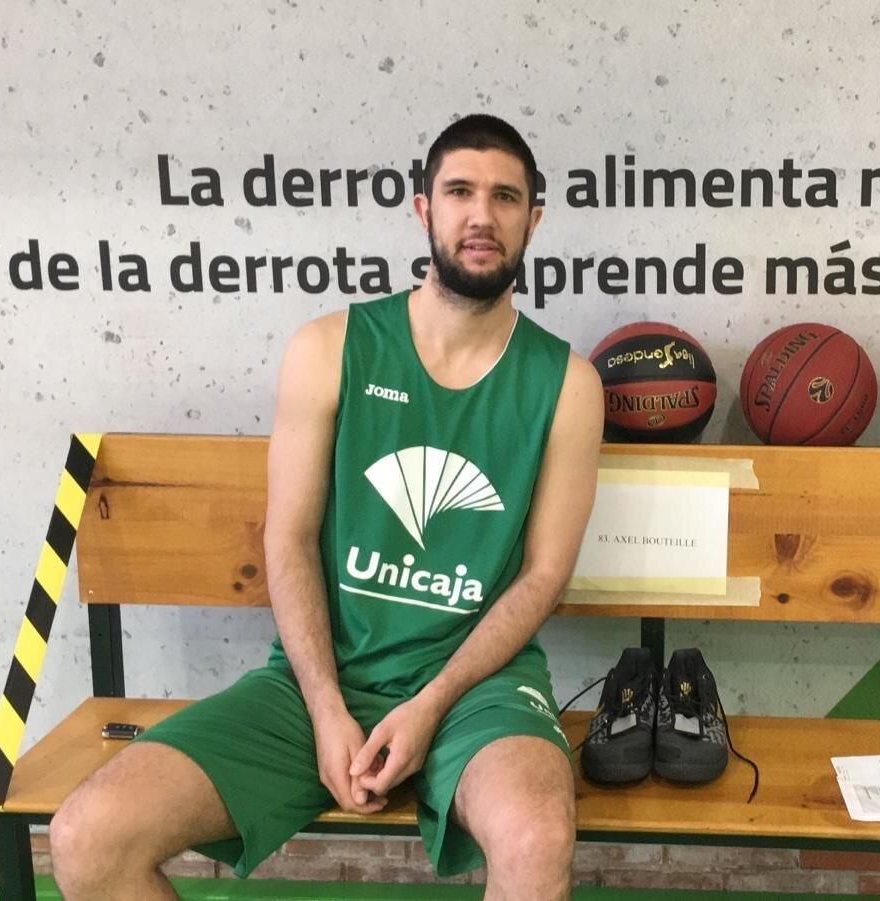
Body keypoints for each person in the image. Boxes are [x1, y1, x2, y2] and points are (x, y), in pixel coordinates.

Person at [49, 114, 604, 901]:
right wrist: (325, 707)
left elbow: (544, 574)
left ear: (532, 219)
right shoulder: (330, 347)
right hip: (317, 680)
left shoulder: (567, 384)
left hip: (477, 688)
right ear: (424, 209)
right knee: (87, 836)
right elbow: (290, 536)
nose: (481, 214)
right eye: (460, 191)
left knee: (536, 836)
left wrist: (429, 704)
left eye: (505, 197)